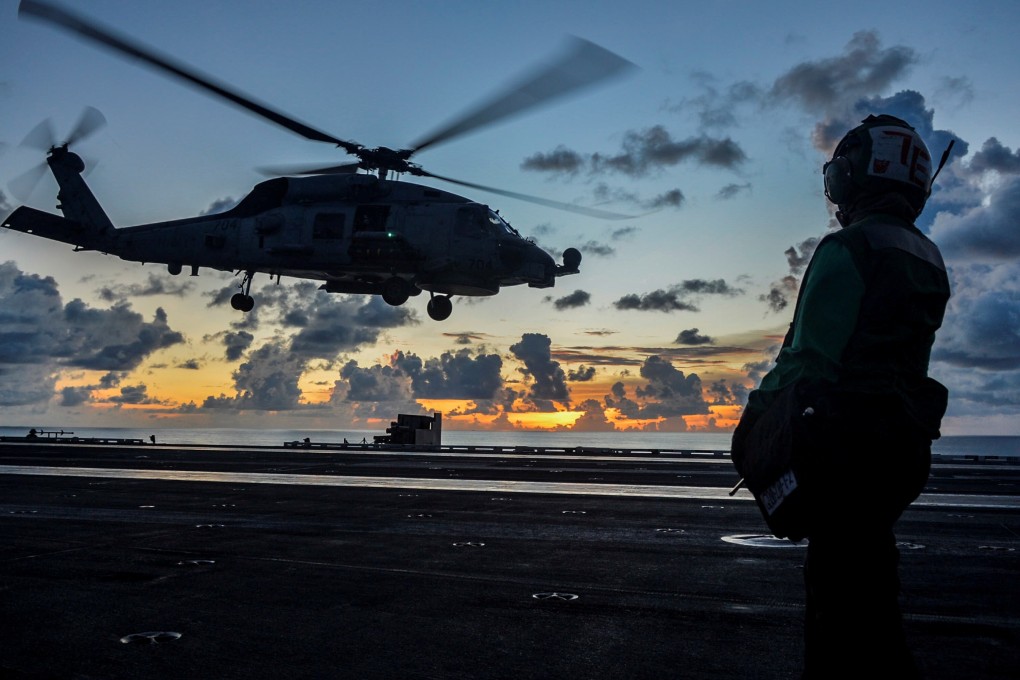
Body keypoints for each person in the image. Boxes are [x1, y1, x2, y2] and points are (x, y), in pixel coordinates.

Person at [735, 114, 951, 678]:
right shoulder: (928, 256)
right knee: (873, 594)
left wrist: (754, 424)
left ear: (858, 175)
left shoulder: (849, 248)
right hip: (902, 449)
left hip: (845, 453)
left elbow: (807, 361)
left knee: (837, 612)